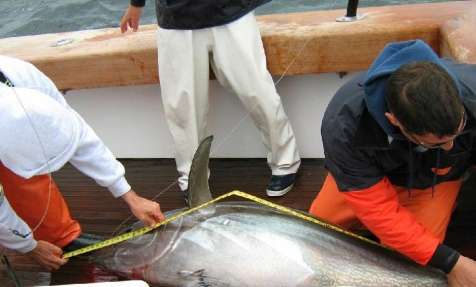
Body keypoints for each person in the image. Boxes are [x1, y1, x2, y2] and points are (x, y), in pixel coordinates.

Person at [309, 39, 476, 287]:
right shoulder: (344, 124)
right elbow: (376, 208)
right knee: (317, 233)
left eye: (458, 133)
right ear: (394, 121)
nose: (451, 148)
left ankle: (446, 201)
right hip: (369, 183)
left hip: (436, 178)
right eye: (436, 143)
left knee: (412, 260)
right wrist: (453, 263)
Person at [120, 0, 301, 199]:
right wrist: (136, 4)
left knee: (257, 92)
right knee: (182, 108)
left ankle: (286, 162)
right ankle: (192, 178)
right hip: (176, 19)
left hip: (231, 12)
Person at [0, 54, 165, 271]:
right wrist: (28, 246)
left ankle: (60, 239)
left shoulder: (28, 80)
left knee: (30, 188)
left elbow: (83, 138)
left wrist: (130, 196)